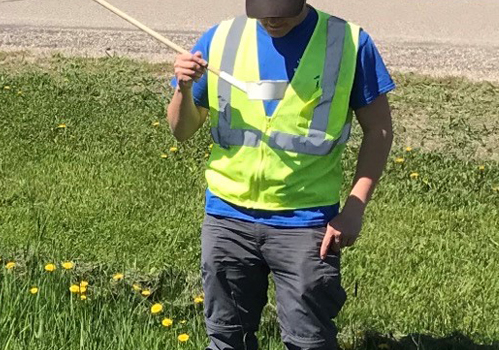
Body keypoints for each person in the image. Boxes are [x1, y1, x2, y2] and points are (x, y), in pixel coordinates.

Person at [164, 0, 394, 349]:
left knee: (309, 342)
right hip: (227, 219)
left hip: (306, 223)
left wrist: (355, 207)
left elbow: (378, 129)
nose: (272, 19)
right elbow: (181, 131)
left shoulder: (348, 42)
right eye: (262, 9)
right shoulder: (221, 38)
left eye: (282, 9)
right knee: (227, 339)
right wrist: (183, 88)